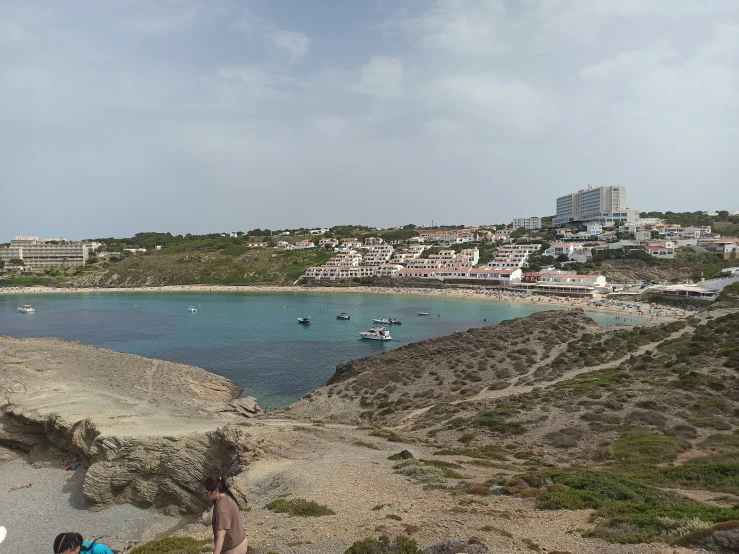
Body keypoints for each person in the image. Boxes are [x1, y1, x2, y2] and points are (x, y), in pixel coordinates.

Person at [202, 476, 248, 554]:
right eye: (203, 492)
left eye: (206, 493)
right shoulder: (226, 496)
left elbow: (221, 536)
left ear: (215, 491)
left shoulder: (222, 510)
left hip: (233, 549)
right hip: (240, 541)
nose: (204, 496)